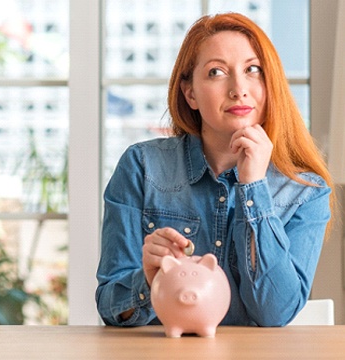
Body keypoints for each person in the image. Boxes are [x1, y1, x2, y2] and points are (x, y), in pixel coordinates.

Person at [95, 12, 334, 327]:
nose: (239, 89)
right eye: (217, 72)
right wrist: (148, 281)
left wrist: (253, 188)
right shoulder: (142, 166)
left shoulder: (305, 191)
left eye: (253, 70)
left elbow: (275, 314)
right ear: (190, 93)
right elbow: (111, 306)